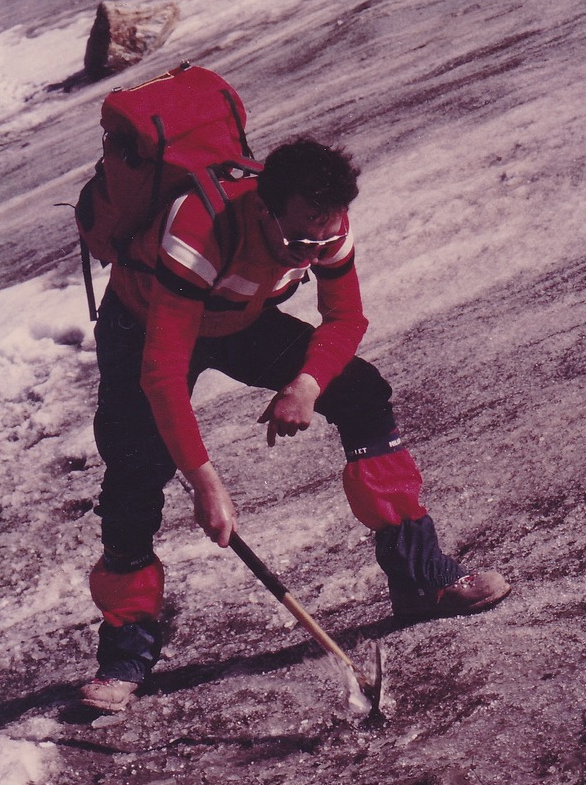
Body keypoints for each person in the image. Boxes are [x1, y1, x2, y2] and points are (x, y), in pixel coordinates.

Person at [81, 138, 509, 711]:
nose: (313, 250)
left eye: (324, 237)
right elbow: (161, 371)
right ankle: (125, 653)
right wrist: (208, 486)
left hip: (237, 319)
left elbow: (346, 315)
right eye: (302, 238)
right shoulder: (201, 228)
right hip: (143, 327)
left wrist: (305, 384)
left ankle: (419, 576)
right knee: (135, 475)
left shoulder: (325, 220)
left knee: (358, 391)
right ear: (266, 208)